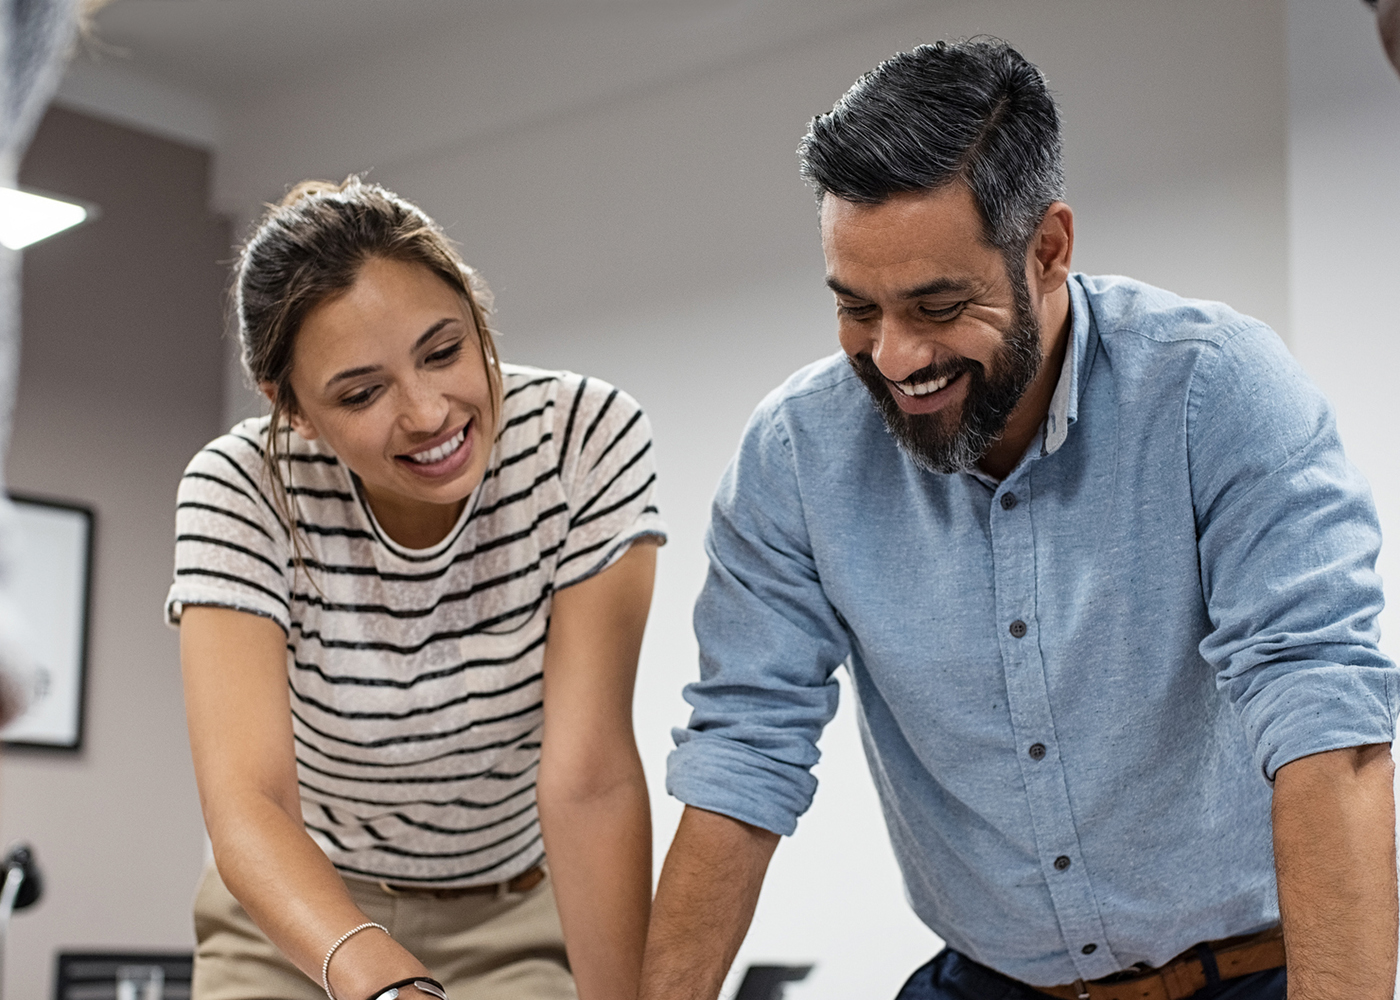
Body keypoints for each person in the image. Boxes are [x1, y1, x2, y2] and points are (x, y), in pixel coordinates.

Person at [637, 39, 1399, 1000]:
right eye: (855, 309)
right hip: (989, 982)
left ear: (1047, 249)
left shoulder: (1216, 393)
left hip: (1253, 973)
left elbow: (1326, 728)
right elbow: (744, 750)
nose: (895, 356)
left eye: (938, 304)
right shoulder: (796, 456)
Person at [167, 178, 665, 1000]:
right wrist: (388, 984)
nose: (429, 412)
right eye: (361, 393)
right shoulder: (241, 485)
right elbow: (249, 799)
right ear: (289, 408)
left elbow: (590, 777)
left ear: (476, 313)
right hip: (299, 920)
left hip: (512, 918)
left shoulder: (583, 439)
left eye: (444, 351)